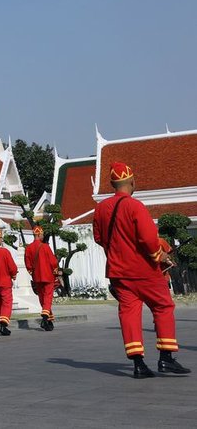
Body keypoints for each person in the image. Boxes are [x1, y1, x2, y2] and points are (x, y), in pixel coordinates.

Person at [93, 162, 190, 378]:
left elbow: (99, 238)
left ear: (112, 184)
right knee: (163, 306)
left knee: (129, 313)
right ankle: (165, 358)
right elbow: (147, 238)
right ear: (132, 182)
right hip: (144, 270)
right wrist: (160, 255)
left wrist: (119, 250)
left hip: (118, 272)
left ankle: (138, 364)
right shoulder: (135, 206)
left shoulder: (101, 208)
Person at [24, 225, 61, 331]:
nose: (43, 236)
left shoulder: (28, 248)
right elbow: (53, 262)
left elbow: (28, 264)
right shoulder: (45, 247)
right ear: (39, 234)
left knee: (42, 298)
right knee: (48, 297)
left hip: (37, 277)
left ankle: (48, 320)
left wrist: (33, 273)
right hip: (48, 276)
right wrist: (55, 272)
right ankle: (45, 318)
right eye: (42, 234)